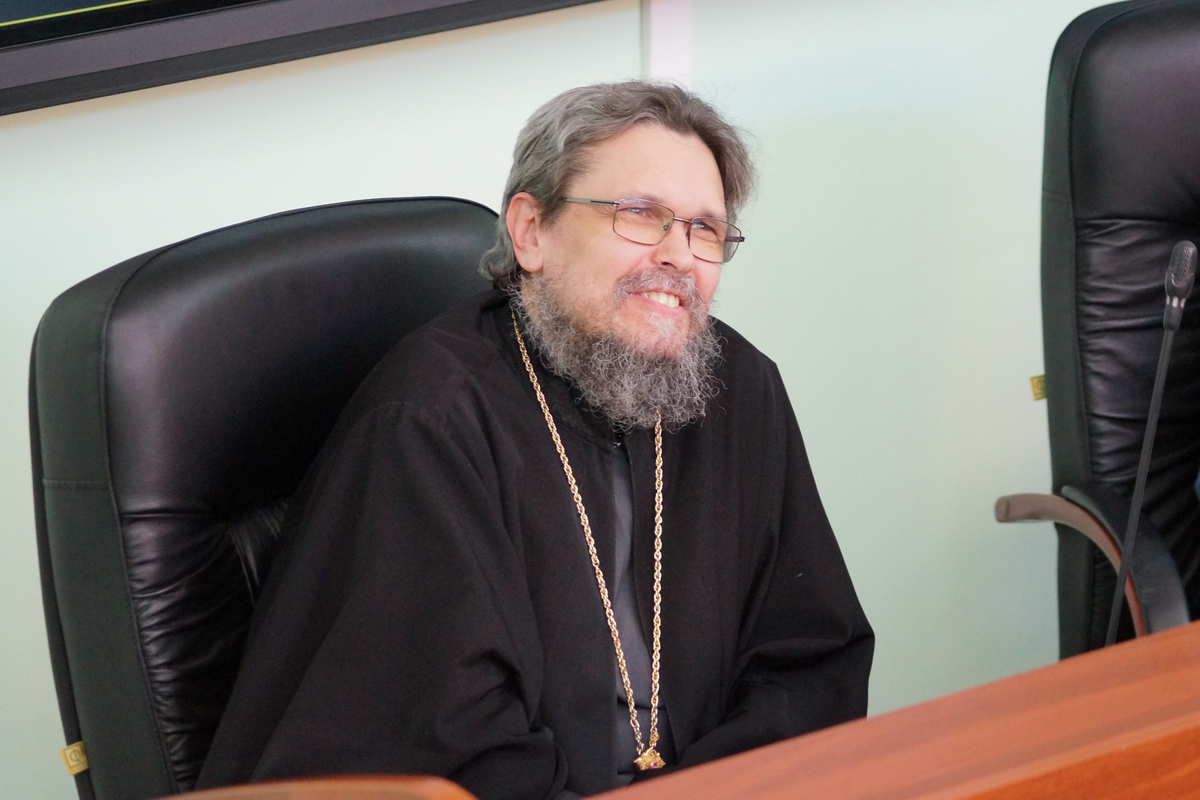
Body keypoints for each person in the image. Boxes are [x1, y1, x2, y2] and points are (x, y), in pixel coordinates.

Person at [198, 81, 873, 800]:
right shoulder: (429, 423)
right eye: (640, 215)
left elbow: (808, 662)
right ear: (531, 232)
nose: (679, 255)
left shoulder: (737, 387)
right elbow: (448, 748)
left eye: (704, 229)